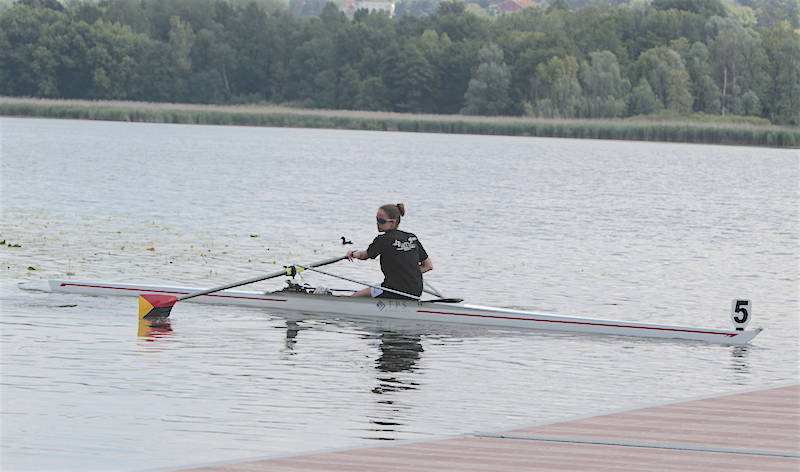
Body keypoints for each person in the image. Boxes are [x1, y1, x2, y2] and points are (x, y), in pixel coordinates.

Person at [346, 203, 433, 299]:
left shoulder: (383, 239)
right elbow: (428, 266)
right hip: (415, 292)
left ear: (393, 222)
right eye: (377, 220)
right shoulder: (411, 237)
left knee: (355, 297)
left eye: (381, 221)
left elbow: (364, 255)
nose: (377, 223)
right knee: (373, 290)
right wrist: (408, 274)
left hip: (393, 290)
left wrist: (353, 253)